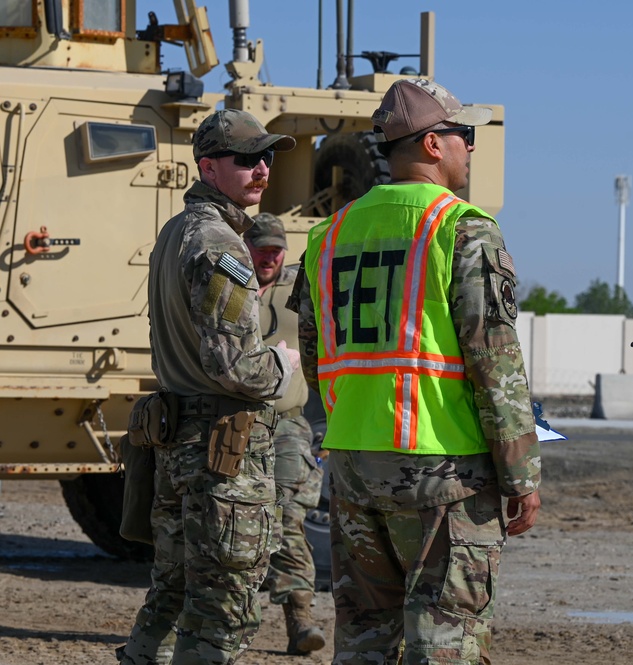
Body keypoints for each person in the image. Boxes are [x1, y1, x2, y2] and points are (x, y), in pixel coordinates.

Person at [291, 78, 542, 664]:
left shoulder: (329, 234)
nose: (471, 148)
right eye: (465, 135)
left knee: (363, 639)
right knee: (445, 637)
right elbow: (494, 361)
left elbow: (312, 352)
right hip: (442, 469)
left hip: (354, 463)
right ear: (433, 144)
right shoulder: (462, 228)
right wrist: (521, 473)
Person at [119, 109, 300, 665]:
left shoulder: (177, 232)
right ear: (208, 167)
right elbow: (236, 366)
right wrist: (283, 365)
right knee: (225, 607)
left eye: (267, 157)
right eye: (246, 160)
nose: (262, 168)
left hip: (180, 442)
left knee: (171, 595)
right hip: (222, 451)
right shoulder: (219, 243)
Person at [243, 213, 326, 655]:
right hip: (236, 423)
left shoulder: (299, 284)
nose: (270, 256)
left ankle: (300, 619)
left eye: (277, 249)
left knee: (288, 515)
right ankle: (229, 619)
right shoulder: (230, 282)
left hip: (288, 422)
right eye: (262, 249)